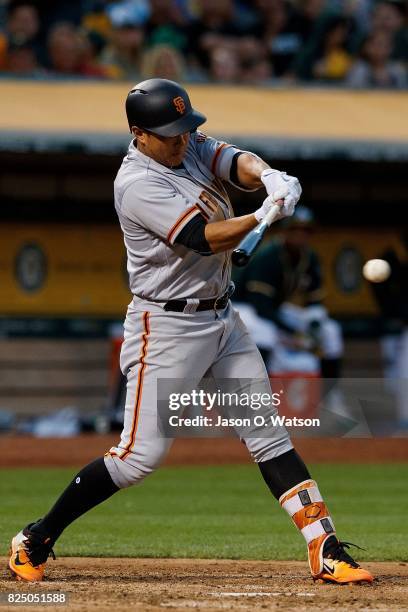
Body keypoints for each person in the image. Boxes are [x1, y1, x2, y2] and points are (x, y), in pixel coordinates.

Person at [8, 79, 372, 586]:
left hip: (223, 319)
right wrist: (262, 214)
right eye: (170, 133)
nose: (183, 139)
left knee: (268, 435)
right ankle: (38, 537)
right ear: (139, 133)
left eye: (185, 128)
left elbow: (232, 158)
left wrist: (269, 177)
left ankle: (325, 547)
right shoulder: (135, 183)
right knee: (138, 459)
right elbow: (202, 238)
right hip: (167, 327)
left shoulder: (187, 142)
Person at [233, 207, 344, 379]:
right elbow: (261, 307)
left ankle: (330, 395)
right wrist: (293, 332)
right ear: (285, 230)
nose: (301, 234)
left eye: (306, 230)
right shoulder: (268, 256)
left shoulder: (310, 258)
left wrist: (314, 326)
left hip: (274, 309)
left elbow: (314, 302)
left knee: (331, 331)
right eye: (295, 229)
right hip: (242, 306)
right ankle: (262, 392)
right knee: (266, 333)